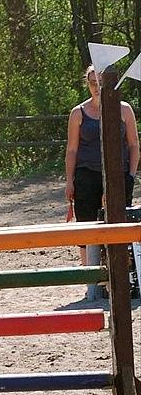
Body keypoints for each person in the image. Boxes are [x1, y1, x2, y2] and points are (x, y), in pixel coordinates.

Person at [65, 64, 139, 264]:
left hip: (118, 175)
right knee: (87, 226)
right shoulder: (77, 113)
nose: (96, 87)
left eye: (100, 82)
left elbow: (133, 145)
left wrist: (130, 176)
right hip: (87, 175)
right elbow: (72, 150)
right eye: (92, 83)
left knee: (118, 225)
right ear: (87, 85)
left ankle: (120, 277)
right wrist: (69, 181)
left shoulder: (124, 110)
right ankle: (90, 280)